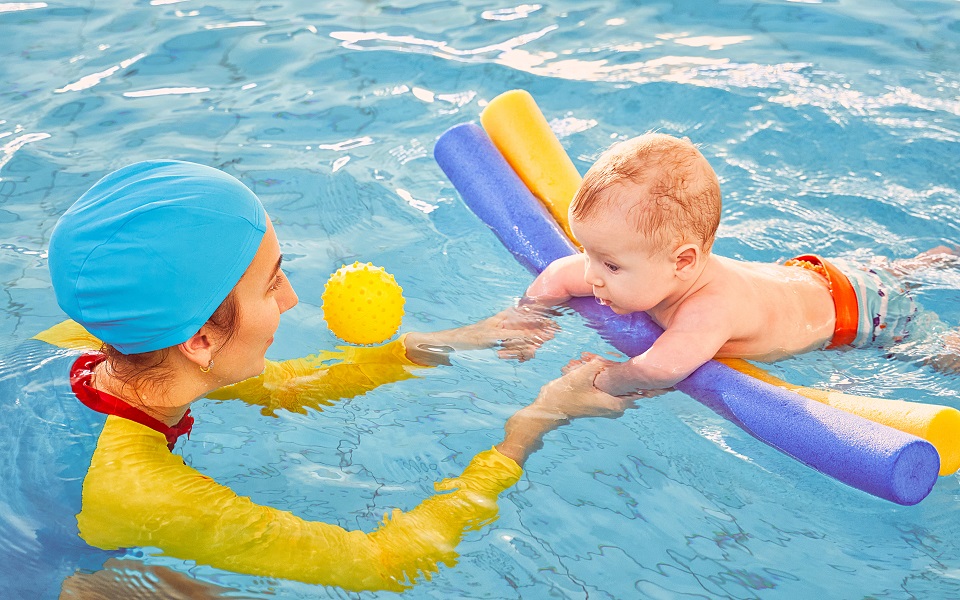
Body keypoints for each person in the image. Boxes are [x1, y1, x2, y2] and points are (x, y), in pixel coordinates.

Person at [26, 159, 630, 595]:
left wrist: (455, 340)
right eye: (271, 283)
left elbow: (285, 387)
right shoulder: (138, 490)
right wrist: (535, 421)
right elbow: (381, 562)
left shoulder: (89, 341)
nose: (290, 299)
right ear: (200, 340)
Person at [524, 133, 959, 397]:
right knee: (894, 272)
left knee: (942, 353)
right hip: (814, 275)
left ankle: (922, 276)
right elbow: (558, 277)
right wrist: (527, 317)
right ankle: (925, 264)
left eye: (611, 266)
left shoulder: (709, 308)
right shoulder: (648, 264)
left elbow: (658, 370)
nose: (590, 274)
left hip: (862, 314)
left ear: (683, 261)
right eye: (588, 253)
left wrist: (606, 378)